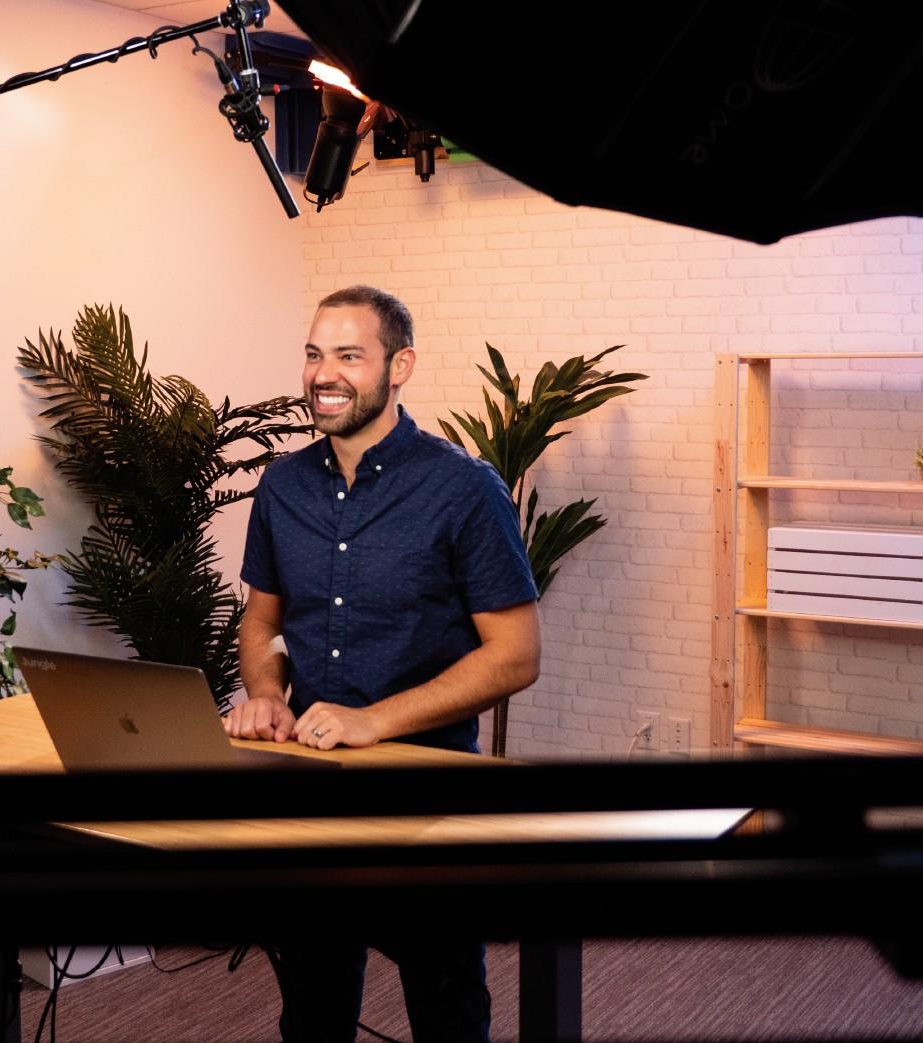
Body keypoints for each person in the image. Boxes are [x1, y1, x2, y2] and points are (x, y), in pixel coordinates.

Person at [227, 284, 542, 1042]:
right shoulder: (282, 486)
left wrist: (375, 720)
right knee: (312, 1013)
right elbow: (262, 623)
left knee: (445, 1013)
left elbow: (517, 655)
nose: (323, 374)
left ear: (399, 367)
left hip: (426, 795)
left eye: (348, 355)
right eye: (314, 354)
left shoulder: (463, 488)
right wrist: (266, 692)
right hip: (309, 789)